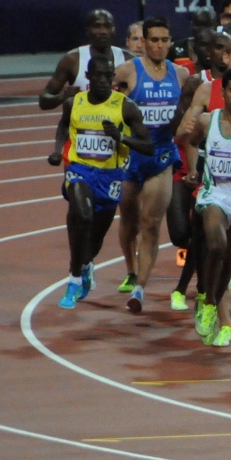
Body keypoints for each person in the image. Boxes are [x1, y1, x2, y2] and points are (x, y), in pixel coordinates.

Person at [47, 54, 154, 309]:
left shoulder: (125, 107)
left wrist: (121, 138)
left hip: (109, 177)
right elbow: (63, 126)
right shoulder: (74, 102)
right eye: (98, 75)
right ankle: (74, 279)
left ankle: (85, 265)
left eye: (108, 76)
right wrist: (57, 150)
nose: (104, 80)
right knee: (82, 215)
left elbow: (148, 146)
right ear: (88, 77)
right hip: (80, 169)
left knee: (93, 243)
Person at [112, 17, 189, 313]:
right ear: (143, 41)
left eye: (164, 40)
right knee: (129, 218)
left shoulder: (180, 74)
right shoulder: (127, 71)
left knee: (151, 223)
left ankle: (140, 288)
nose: (159, 45)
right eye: (154, 40)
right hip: (131, 154)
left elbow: (192, 107)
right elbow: (104, 98)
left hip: (161, 155)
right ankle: (131, 270)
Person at [182, 67, 231, 346]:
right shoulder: (208, 120)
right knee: (216, 245)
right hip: (214, 193)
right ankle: (207, 301)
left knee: (228, 262)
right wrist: (193, 169)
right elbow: (192, 142)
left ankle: (213, 303)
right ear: (223, 92)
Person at [38, 8, 128, 110]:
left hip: (117, 120)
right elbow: (43, 101)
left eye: (107, 26)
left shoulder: (127, 59)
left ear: (114, 29)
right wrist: (62, 97)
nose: (103, 31)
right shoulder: (72, 60)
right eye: (97, 26)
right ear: (88, 30)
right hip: (82, 120)